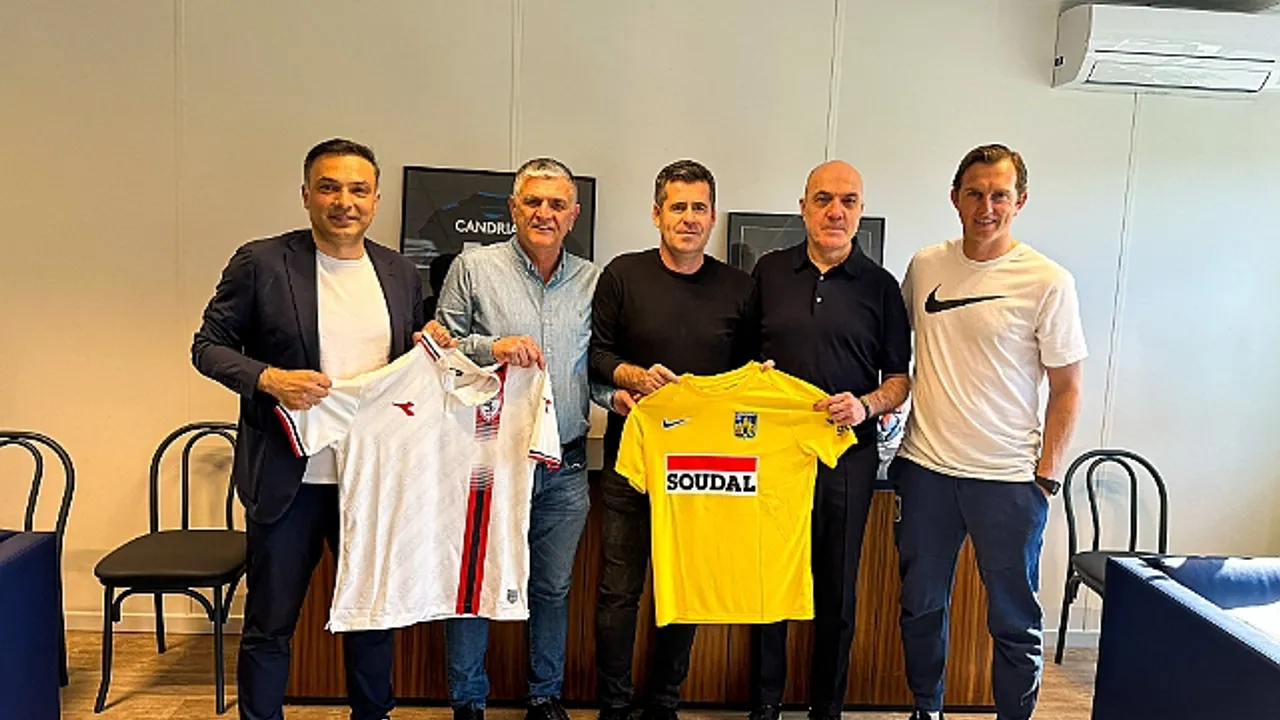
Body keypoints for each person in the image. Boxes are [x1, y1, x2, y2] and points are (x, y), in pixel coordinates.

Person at [192, 137, 435, 720]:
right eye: (329, 188)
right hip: (288, 479)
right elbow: (207, 347)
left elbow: (413, 357)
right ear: (306, 195)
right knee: (270, 624)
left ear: (375, 200)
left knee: (371, 620)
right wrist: (268, 378)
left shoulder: (401, 273)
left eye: (357, 190)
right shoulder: (261, 262)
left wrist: (432, 343)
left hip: (371, 479)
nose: (343, 201)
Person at [892, 144, 1086, 720]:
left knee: (1013, 620)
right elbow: (892, 352)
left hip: (1008, 482)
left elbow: (1068, 387)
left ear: (1019, 201)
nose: (986, 207)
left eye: (1000, 195)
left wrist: (1045, 478)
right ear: (955, 198)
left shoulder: (1048, 281)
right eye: (975, 193)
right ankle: (927, 709)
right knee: (920, 607)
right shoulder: (925, 266)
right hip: (926, 471)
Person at [434, 157, 623, 720]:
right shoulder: (473, 269)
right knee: (474, 584)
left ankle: (544, 696)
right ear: (513, 208)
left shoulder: (594, 281)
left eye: (556, 204)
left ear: (573, 215)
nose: (545, 212)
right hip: (488, 460)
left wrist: (617, 398)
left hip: (564, 466)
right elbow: (441, 352)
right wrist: (491, 347)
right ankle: (468, 701)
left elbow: (591, 371)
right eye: (533, 201)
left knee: (552, 588)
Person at [745, 160, 912, 720]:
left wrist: (865, 405)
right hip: (774, 455)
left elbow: (899, 379)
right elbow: (741, 361)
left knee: (837, 590)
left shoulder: (882, 288)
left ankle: (827, 709)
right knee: (770, 581)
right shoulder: (769, 272)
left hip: (848, 455)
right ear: (803, 208)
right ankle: (764, 704)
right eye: (822, 199)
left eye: (847, 201)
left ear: (860, 211)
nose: (835, 211)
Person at [590, 160, 753, 720]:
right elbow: (597, 354)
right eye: (677, 206)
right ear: (656, 213)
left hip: (703, 466)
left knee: (684, 588)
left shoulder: (740, 288)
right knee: (619, 590)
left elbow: (750, 373)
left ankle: (663, 704)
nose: (688, 218)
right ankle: (613, 708)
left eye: (698, 207)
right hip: (631, 460)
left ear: (713, 216)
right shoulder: (622, 275)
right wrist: (634, 377)